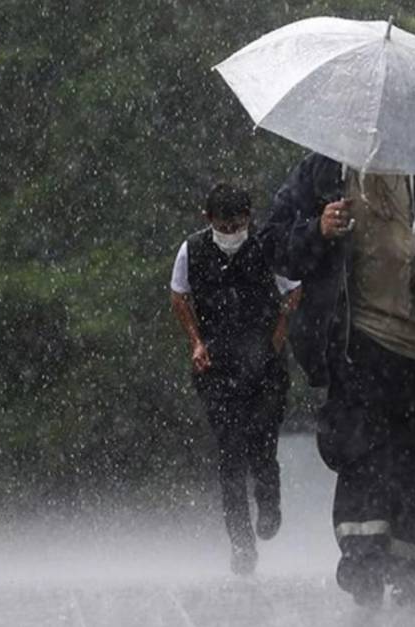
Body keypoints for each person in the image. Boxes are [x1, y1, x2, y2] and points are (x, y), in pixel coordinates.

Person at [262, 154, 415, 607]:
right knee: (361, 455)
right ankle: (363, 565)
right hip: (356, 342)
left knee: (414, 462)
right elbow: (275, 246)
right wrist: (318, 230)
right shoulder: (324, 171)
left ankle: (411, 573)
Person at [170, 183, 302, 576]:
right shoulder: (191, 250)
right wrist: (196, 342)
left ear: (249, 218)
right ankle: (241, 544)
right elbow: (179, 296)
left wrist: (280, 326)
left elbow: (294, 290)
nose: (232, 231)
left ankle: (269, 500)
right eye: (225, 224)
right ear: (208, 219)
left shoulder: (265, 247)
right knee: (229, 454)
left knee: (263, 442)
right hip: (217, 367)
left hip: (264, 364)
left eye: (239, 222)